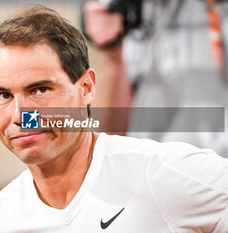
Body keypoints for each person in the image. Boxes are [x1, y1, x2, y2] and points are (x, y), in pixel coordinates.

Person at [0, 5, 228, 232]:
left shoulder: (157, 173)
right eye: (3, 95)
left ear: (86, 88)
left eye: (40, 90)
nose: (20, 116)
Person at [83, 0, 228, 157]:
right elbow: (107, 138)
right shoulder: (137, 12)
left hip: (215, 170)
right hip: (148, 171)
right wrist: (112, 51)